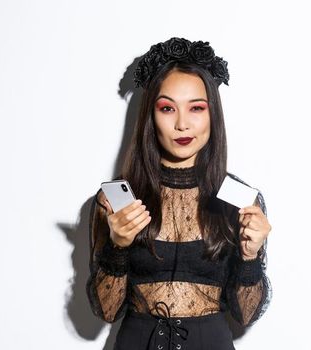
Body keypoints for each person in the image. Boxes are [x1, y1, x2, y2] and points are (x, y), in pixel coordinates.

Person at [87, 37, 272, 350]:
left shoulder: (238, 197)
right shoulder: (120, 198)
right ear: (151, 116)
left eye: (196, 108)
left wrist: (250, 256)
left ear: (213, 115)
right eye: (168, 108)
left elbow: (246, 314)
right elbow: (106, 311)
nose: (182, 124)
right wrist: (117, 248)